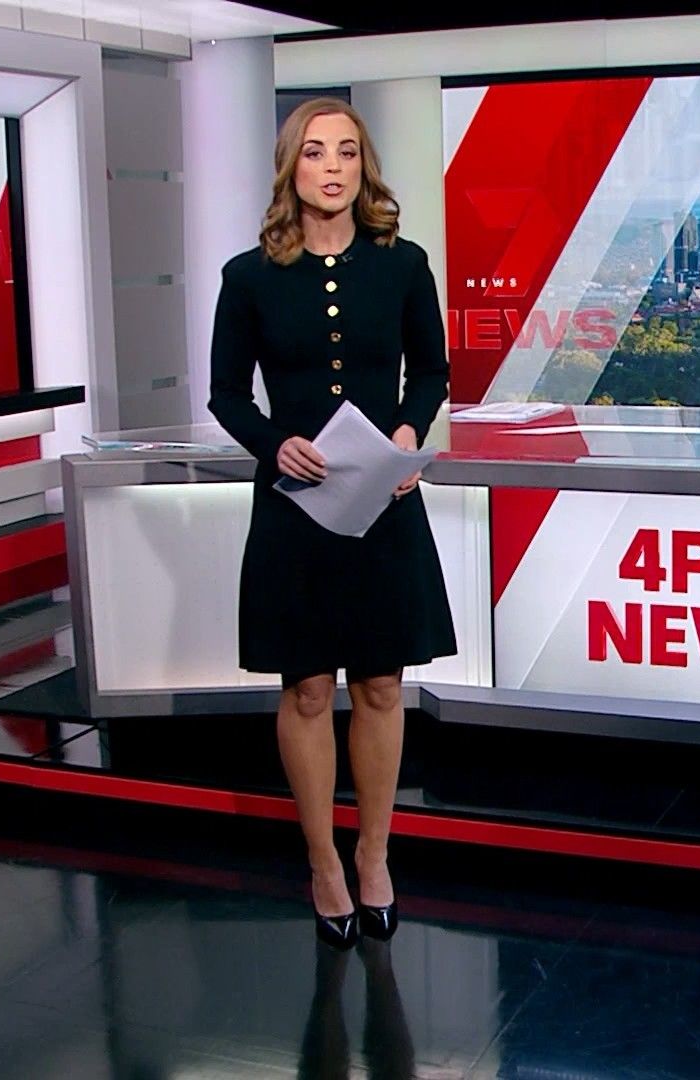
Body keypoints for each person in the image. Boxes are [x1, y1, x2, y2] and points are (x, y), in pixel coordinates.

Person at [207, 98, 456, 949]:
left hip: (383, 498)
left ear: (364, 167)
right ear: (292, 167)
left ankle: (374, 854)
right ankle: (322, 864)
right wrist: (272, 443)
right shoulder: (248, 277)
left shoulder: (403, 264)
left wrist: (408, 433)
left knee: (382, 684)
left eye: (347, 152)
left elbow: (431, 372)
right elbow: (227, 394)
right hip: (295, 505)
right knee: (309, 688)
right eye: (315, 152)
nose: (333, 168)